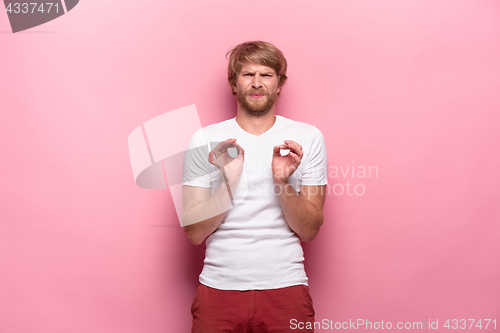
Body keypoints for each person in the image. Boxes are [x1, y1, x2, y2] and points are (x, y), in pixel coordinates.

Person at [182, 41, 328, 332]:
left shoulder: (308, 138)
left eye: (267, 74)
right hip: (218, 290)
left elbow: (309, 230)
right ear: (234, 84)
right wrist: (229, 182)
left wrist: (282, 181)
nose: (257, 83)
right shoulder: (205, 140)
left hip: (286, 288)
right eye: (248, 74)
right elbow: (194, 233)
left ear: (279, 84)